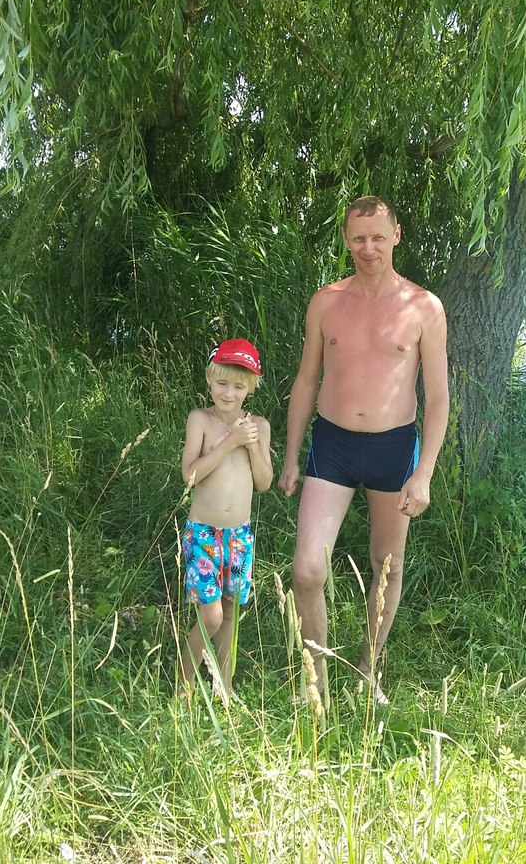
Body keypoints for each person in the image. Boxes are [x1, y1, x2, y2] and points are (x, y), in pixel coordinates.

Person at [278, 196, 449, 703]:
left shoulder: (425, 307)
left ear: (396, 235)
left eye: (377, 237)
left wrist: (424, 473)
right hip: (332, 444)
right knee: (307, 569)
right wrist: (290, 456)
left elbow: (438, 398)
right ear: (346, 240)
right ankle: (315, 681)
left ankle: (369, 668)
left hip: (394, 448)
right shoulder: (326, 301)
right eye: (358, 238)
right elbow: (306, 381)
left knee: (386, 565)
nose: (368, 248)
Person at [179, 338, 272, 700]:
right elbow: (190, 475)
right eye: (221, 383)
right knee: (212, 616)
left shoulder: (259, 426)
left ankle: (224, 685)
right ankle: (184, 686)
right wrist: (230, 442)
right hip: (203, 533)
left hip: (239, 536)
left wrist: (250, 443)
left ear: (251, 387)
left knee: (231, 614)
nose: (228, 393)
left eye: (238, 386)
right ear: (209, 379)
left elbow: (264, 483)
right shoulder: (200, 420)